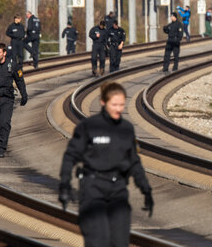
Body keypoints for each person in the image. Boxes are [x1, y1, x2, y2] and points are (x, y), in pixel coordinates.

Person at [58, 82, 154, 246]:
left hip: (118, 191)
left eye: (122, 105)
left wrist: (146, 190)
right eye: (114, 104)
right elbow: (70, 156)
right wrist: (64, 185)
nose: (118, 109)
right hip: (93, 189)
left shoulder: (126, 129)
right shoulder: (88, 126)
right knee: (98, 241)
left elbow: (134, 162)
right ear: (103, 102)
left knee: (120, 242)